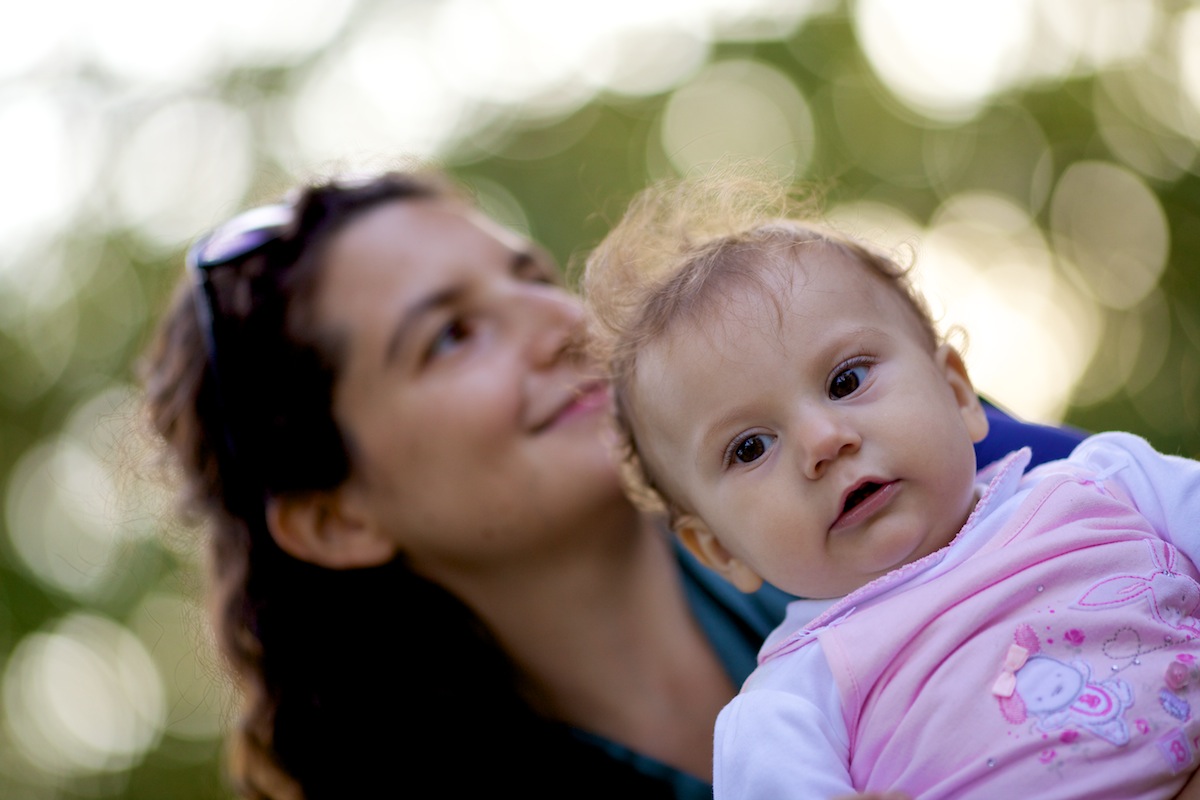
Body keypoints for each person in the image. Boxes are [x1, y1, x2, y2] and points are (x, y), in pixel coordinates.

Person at [139, 165, 1088, 799]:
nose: (558, 320)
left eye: (531, 275)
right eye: (451, 335)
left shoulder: (899, 472)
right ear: (337, 519)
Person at [581, 172, 1200, 799]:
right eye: (750, 447)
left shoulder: (1112, 483)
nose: (824, 442)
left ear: (958, 393)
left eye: (847, 380)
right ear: (717, 549)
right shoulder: (792, 705)